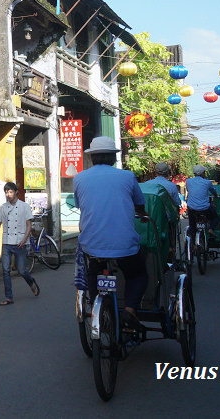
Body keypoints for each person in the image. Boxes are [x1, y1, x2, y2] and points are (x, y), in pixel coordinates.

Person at [73, 136, 148, 322]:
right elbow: (139, 204)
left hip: (92, 243)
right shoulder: (127, 176)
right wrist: (143, 214)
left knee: (93, 270)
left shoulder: (79, 178)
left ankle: (96, 302)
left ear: (92, 158)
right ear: (113, 158)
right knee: (138, 273)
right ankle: (130, 309)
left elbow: (80, 204)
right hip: (124, 246)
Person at [0, 182, 40, 305]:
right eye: (6, 192)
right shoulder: (3, 207)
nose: (8, 194)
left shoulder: (24, 206)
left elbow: (29, 225)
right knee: (5, 270)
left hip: (20, 242)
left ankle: (31, 282)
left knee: (22, 270)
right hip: (6, 242)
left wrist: (24, 239)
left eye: (10, 192)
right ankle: (9, 297)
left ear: (16, 192)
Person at [185, 165, 219, 237]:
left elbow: (189, 190)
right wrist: (216, 195)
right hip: (205, 208)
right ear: (202, 173)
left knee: (192, 224)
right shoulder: (207, 182)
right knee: (215, 217)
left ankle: (193, 244)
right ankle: (211, 229)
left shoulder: (188, 181)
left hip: (192, 208)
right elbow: (213, 191)